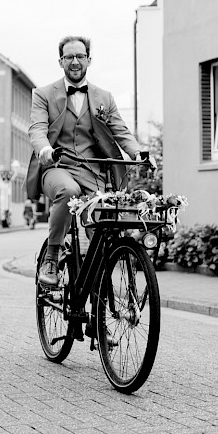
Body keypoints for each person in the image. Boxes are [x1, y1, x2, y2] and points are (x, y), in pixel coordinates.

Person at [26, 36, 143, 285]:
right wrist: (45, 148)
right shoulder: (44, 94)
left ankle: (95, 289)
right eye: (69, 57)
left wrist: (138, 154)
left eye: (80, 56)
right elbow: (36, 129)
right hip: (57, 167)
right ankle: (52, 257)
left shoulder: (105, 97)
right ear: (61, 62)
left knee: (102, 221)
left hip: (93, 172)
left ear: (89, 60)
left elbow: (121, 132)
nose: (75, 62)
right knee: (69, 191)